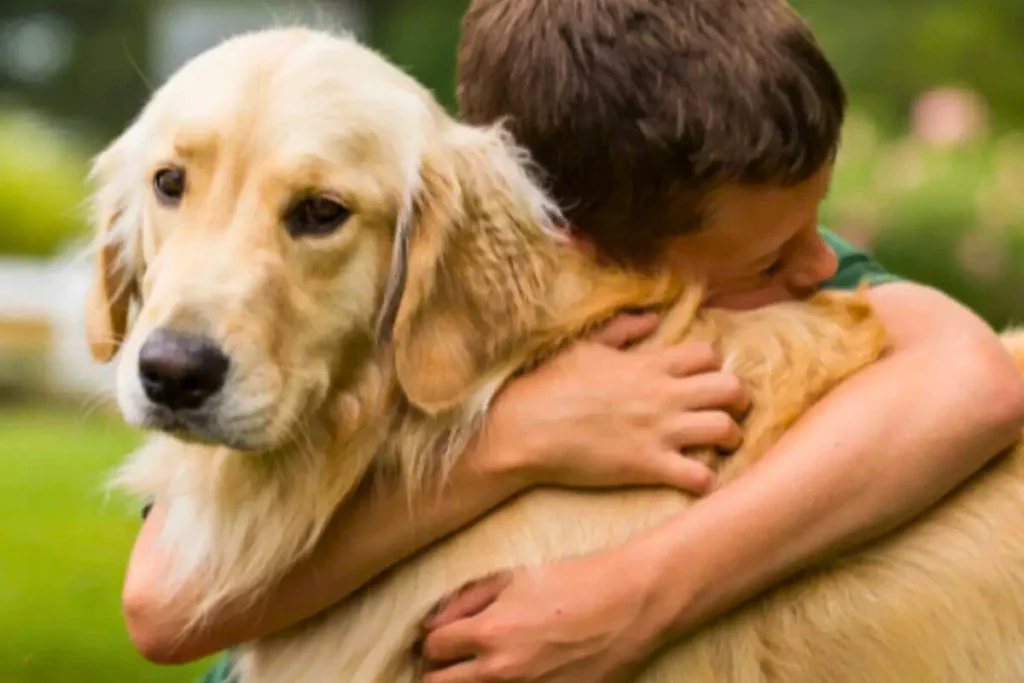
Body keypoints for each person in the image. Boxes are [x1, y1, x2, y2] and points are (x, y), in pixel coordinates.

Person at [123, 2, 1024, 681]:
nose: (817, 262)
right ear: (587, 250)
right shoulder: (456, 244)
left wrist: (637, 591)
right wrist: (518, 441)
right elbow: (163, 605)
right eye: (771, 252)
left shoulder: (776, 268)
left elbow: (979, 380)